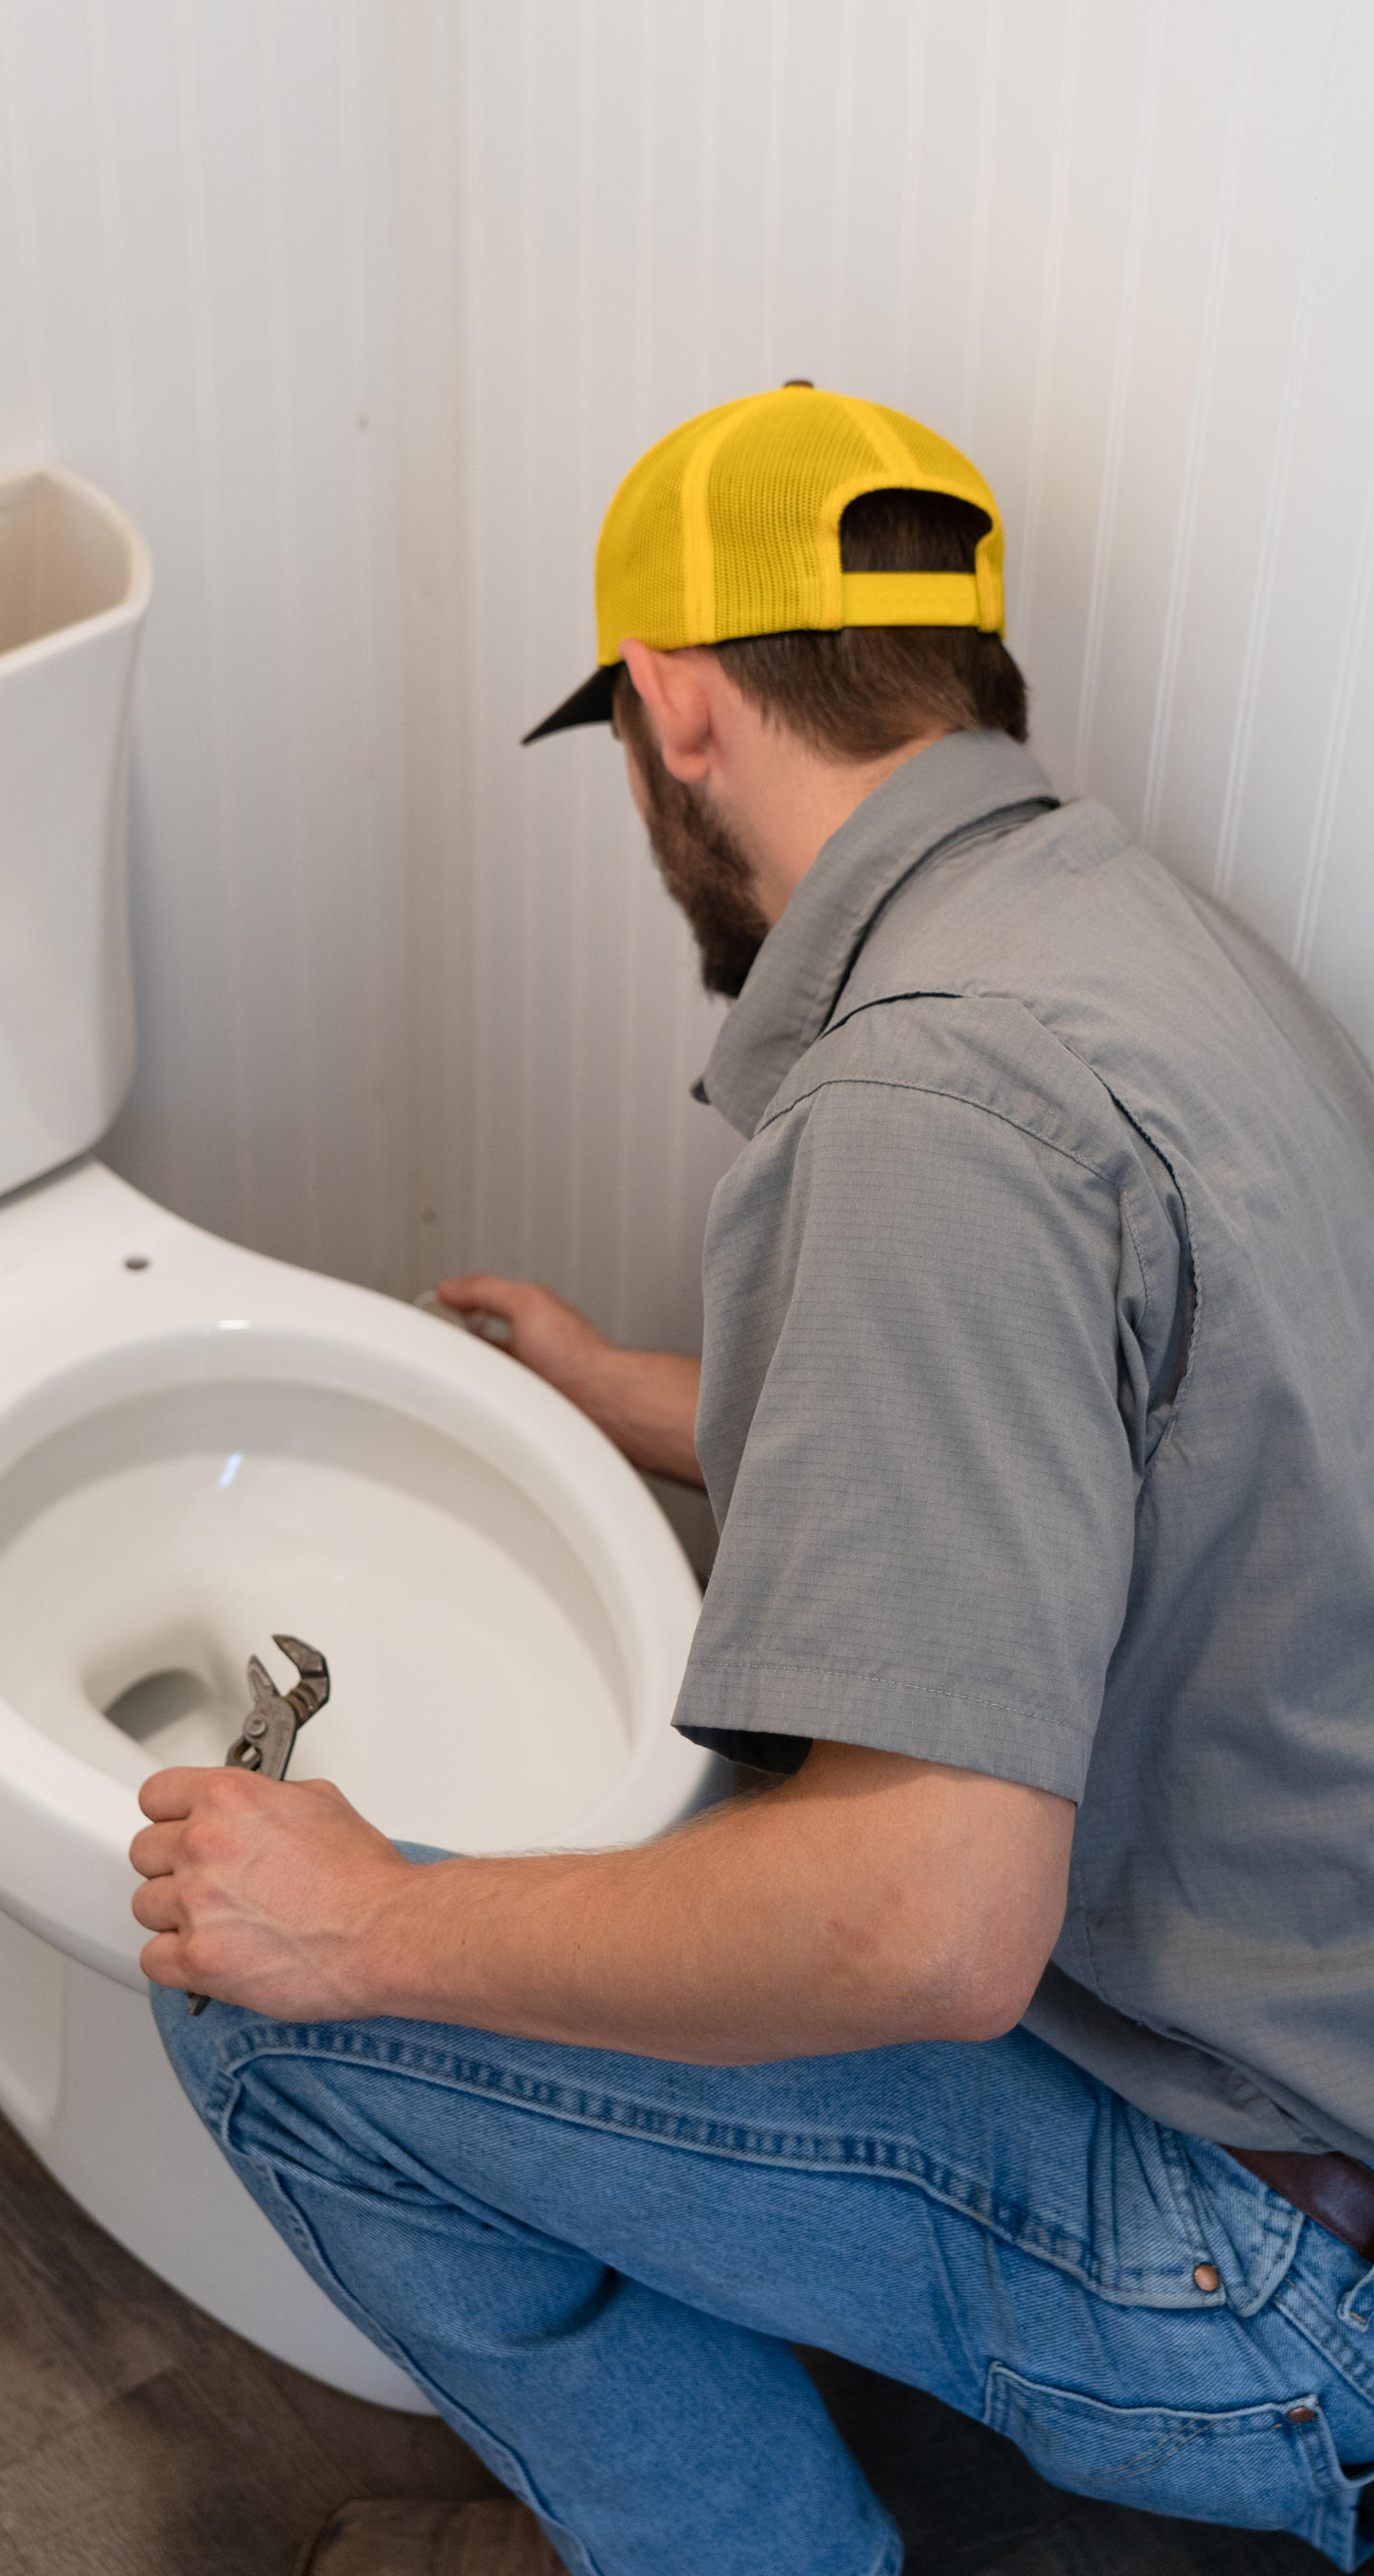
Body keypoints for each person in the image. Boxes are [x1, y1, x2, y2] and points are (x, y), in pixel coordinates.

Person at [132, 387, 1374, 2576]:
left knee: (260, 2004)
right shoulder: (1132, 949)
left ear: (675, 706)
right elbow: (1117, 1449)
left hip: (1287, 2285)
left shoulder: (918, 1111)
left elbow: (917, 1926)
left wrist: (371, 1919)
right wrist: (657, 1399)